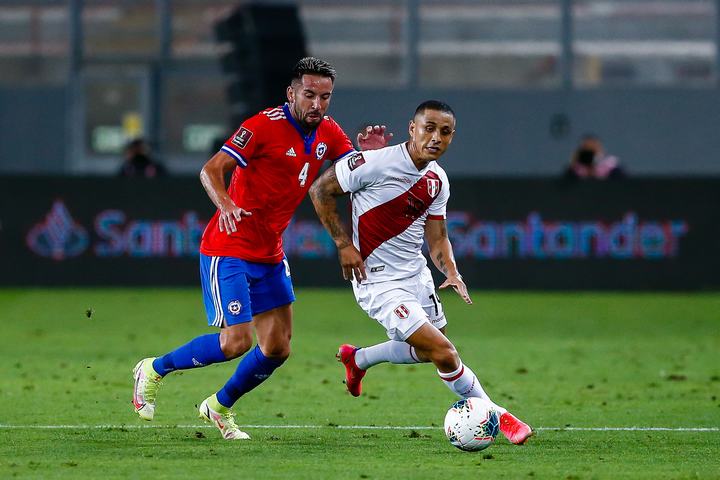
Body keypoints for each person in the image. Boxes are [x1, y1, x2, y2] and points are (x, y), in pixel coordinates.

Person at [131, 57, 391, 440]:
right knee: (237, 342)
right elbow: (211, 170)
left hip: (270, 254)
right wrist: (226, 204)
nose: (317, 104)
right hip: (229, 247)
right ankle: (154, 369)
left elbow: (355, 173)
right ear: (291, 93)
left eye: (325, 97)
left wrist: (372, 156)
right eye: (309, 95)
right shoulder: (262, 126)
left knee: (278, 348)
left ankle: (219, 406)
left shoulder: (329, 132)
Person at [309, 100, 533, 445]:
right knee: (445, 352)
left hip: (416, 276)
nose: (436, 138)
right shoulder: (374, 162)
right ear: (412, 129)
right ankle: (500, 417)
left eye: (445, 132)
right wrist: (343, 244)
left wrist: (452, 271)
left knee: (428, 350)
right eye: (429, 128)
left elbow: (438, 238)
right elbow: (319, 190)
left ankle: (358, 358)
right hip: (377, 281)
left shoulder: (437, 179)